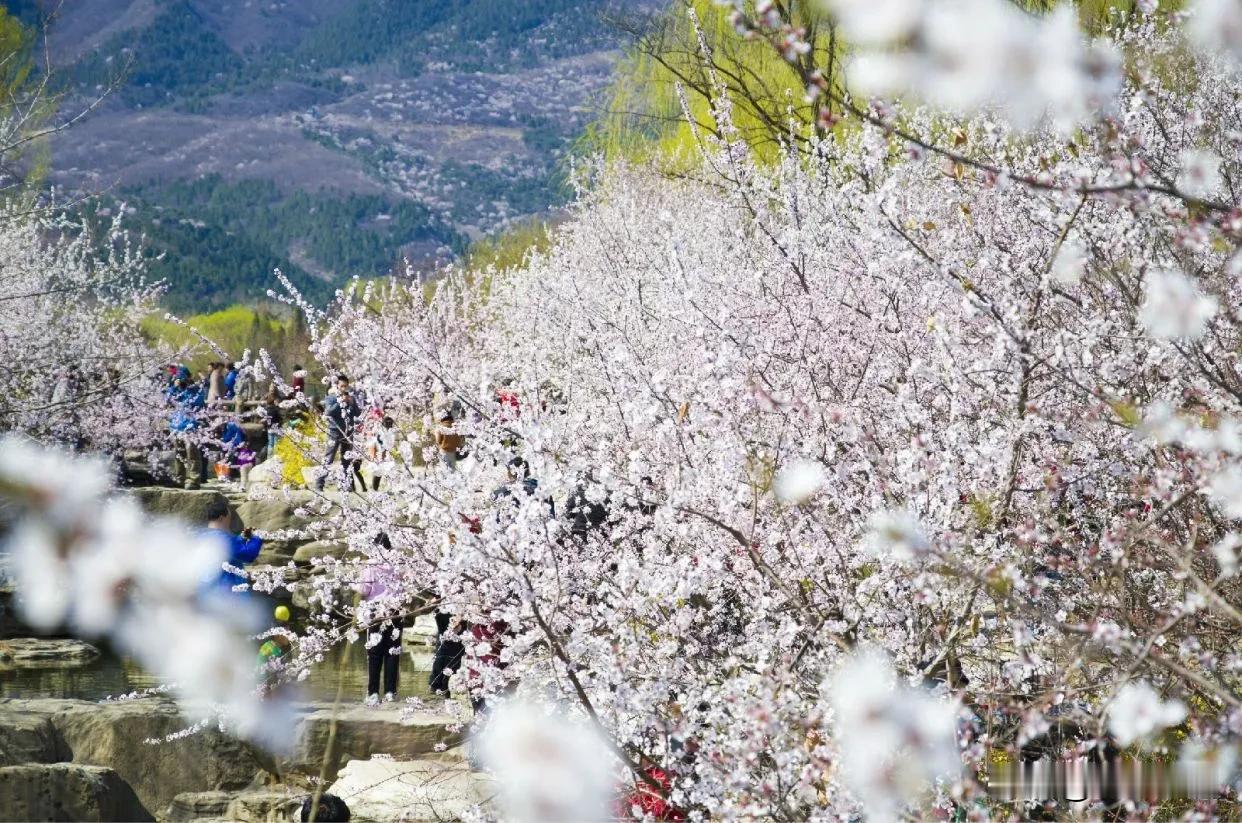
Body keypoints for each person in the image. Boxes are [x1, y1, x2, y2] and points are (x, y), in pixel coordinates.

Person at [358, 535, 402, 706]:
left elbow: (364, 589)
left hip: (375, 610)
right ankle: (391, 692)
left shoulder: (370, 566)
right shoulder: (397, 564)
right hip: (395, 610)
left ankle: (373, 692)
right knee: (393, 651)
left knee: (374, 653)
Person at [317, 376, 363, 492]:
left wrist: (352, 403)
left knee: (346, 460)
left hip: (348, 432)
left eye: (345, 386)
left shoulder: (351, 398)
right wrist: (340, 402)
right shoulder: (331, 398)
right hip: (334, 431)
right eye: (341, 386)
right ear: (337, 386)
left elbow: (357, 413)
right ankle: (319, 485)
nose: (343, 388)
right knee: (329, 458)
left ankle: (345, 485)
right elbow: (328, 412)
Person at [205, 499, 262, 592]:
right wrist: (256, 538)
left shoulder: (203, 535)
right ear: (221, 518)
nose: (230, 522)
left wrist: (242, 537)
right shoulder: (223, 539)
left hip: (207, 590)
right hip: (226, 592)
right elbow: (248, 555)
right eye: (229, 518)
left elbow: (231, 549)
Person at [368, 416, 398, 491]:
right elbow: (373, 443)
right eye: (387, 424)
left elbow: (390, 444)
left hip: (385, 453)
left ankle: (391, 488)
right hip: (378, 453)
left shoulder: (390, 432)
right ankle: (375, 489)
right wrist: (374, 455)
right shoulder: (378, 431)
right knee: (378, 472)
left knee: (389, 471)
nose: (389, 426)